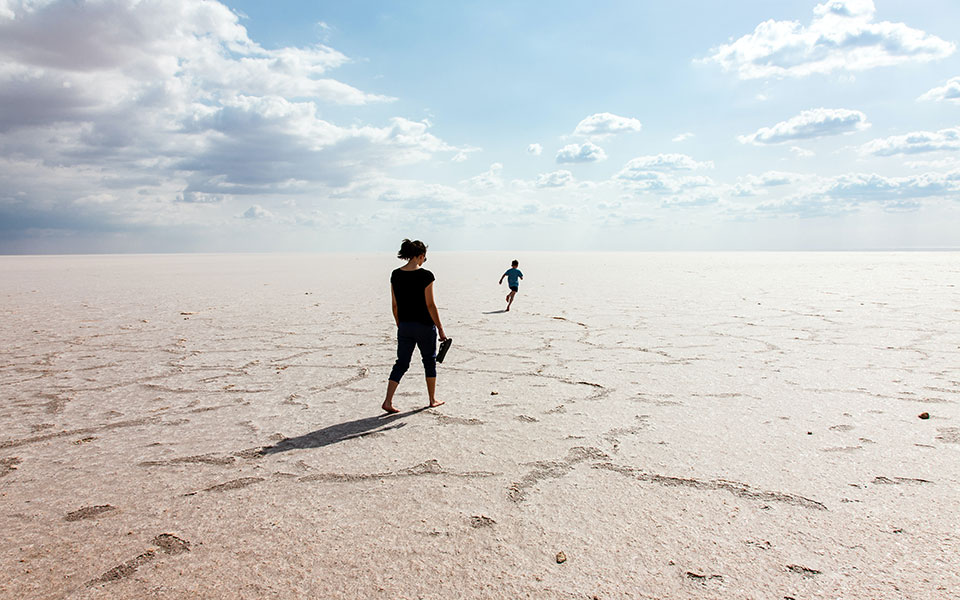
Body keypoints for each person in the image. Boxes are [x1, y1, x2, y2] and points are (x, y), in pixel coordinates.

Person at [382, 239, 447, 413]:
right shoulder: (426, 275)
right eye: (424, 258)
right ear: (420, 256)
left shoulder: (395, 274)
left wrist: (400, 323)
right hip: (425, 326)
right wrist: (440, 329)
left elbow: (394, 305)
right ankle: (432, 399)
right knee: (429, 361)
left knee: (401, 363)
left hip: (405, 326)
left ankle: (388, 401)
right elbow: (430, 305)